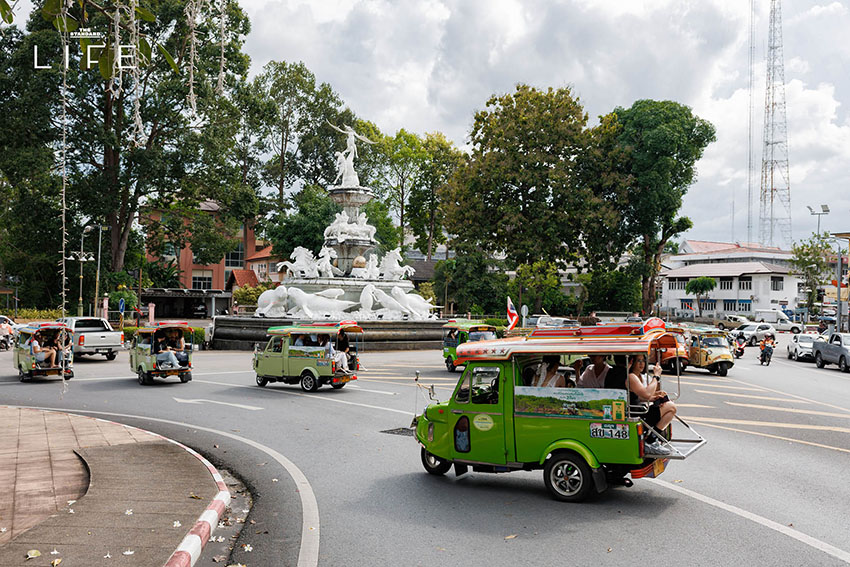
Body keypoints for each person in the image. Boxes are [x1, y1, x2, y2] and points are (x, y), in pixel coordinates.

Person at [628, 355, 677, 452]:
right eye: (638, 361)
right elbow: (645, 394)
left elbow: (640, 396)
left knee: (670, 405)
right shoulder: (631, 377)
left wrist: (654, 397)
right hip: (639, 413)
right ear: (632, 362)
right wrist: (656, 376)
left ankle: (652, 438)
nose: (641, 364)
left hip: (644, 408)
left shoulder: (644, 377)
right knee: (671, 407)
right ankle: (651, 440)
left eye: (643, 361)